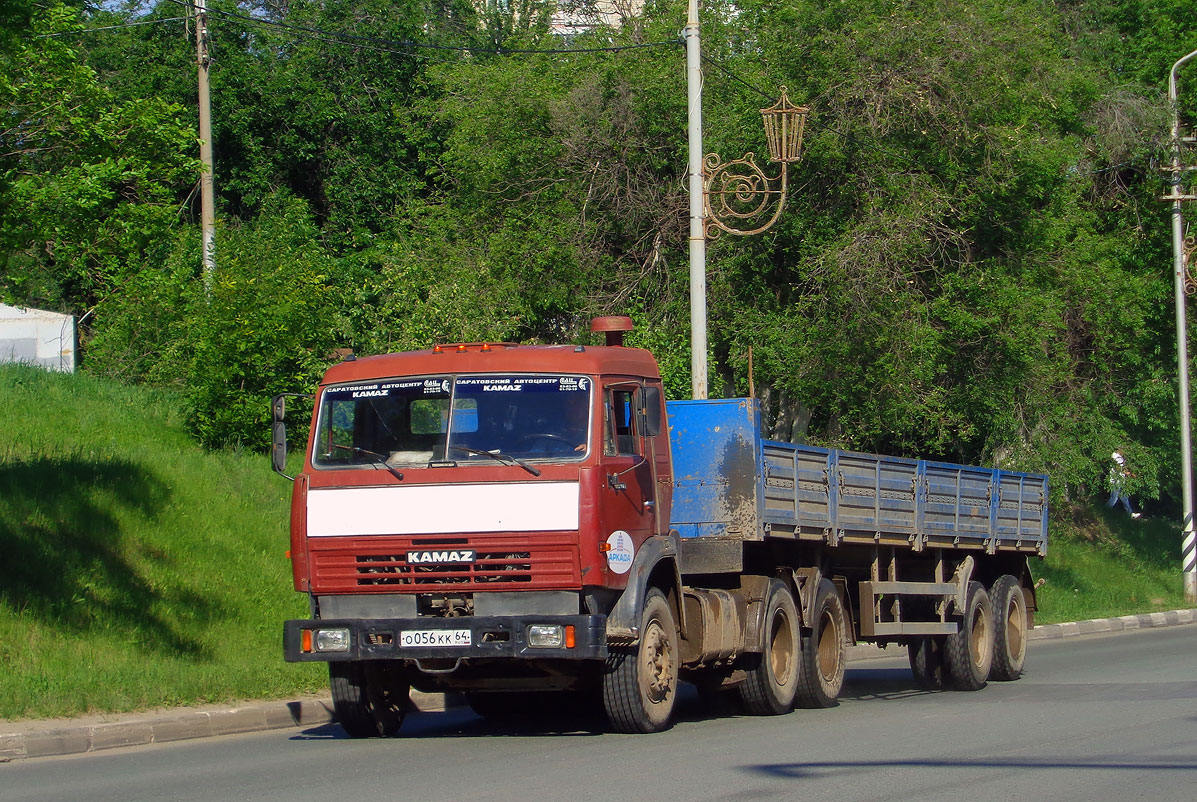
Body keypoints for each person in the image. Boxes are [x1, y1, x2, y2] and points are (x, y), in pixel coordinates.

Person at [1107, 449, 1140, 519]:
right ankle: (1105, 511)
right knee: (1114, 498)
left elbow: (1123, 467)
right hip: (1115, 481)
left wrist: (1131, 473)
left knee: (1124, 497)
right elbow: (1117, 467)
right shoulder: (1114, 455)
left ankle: (1130, 513)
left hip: (1121, 481)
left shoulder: (1121, 457)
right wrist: (1126, 473)